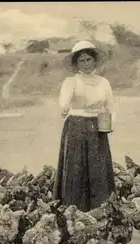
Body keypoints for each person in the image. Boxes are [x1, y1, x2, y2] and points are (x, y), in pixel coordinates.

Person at [53, 40, 117, 212]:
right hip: (76, 126)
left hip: (98, 128)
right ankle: (74, 209)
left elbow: (111, 106)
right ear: (76, 63)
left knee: (98, 168)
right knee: (76, 168)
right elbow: (64, 99)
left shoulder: (104, 82)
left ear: (95, 60)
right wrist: (64, 106)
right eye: (82, 61)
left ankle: (100, 209)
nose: (86, 64)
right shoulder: (71, 81)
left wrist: (110, 123)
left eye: (89, 59)